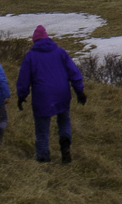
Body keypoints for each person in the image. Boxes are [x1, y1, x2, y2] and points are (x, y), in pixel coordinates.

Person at [16, 25, 86, 163]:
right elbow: (74, 72)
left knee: (42, 128)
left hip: (42, 96)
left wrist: (21, 95)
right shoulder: (60, 52)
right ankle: (65, 141)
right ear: (47, 38)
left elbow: (24, 78)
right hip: (62, 93)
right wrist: (79, 91)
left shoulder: (31, 56)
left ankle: (43, 157)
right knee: (64, 119)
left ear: (35, 41)